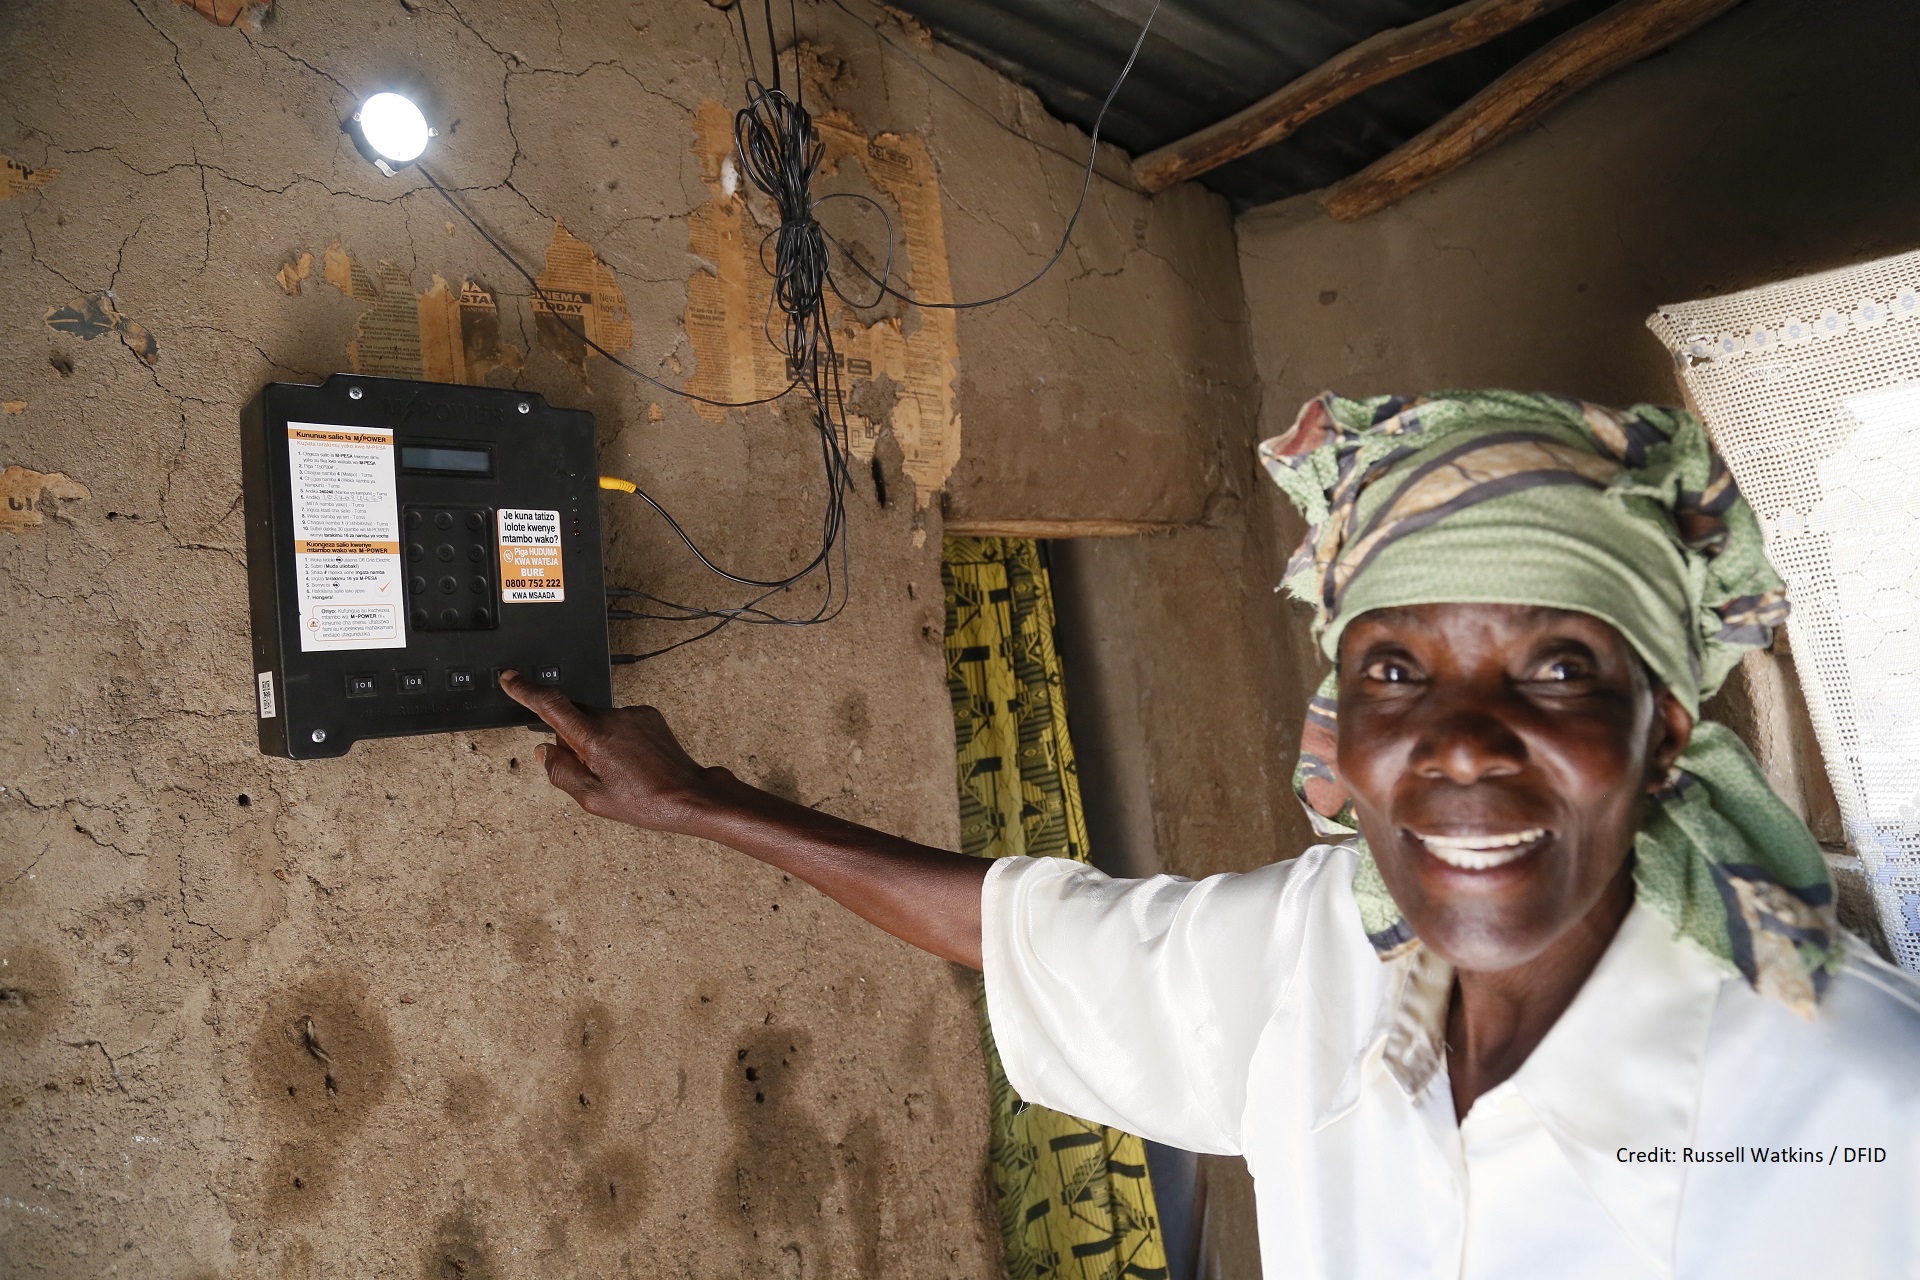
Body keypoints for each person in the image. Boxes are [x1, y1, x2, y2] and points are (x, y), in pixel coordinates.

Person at [501, 389, 1920, 1279]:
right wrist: (697, 805)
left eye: (1558, 671)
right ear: (1339, 730)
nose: (1463, 745)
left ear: (1669, 729)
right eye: (1396, 672)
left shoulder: (1852, 1103)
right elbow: (1023, 930)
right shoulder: (1331, 951)